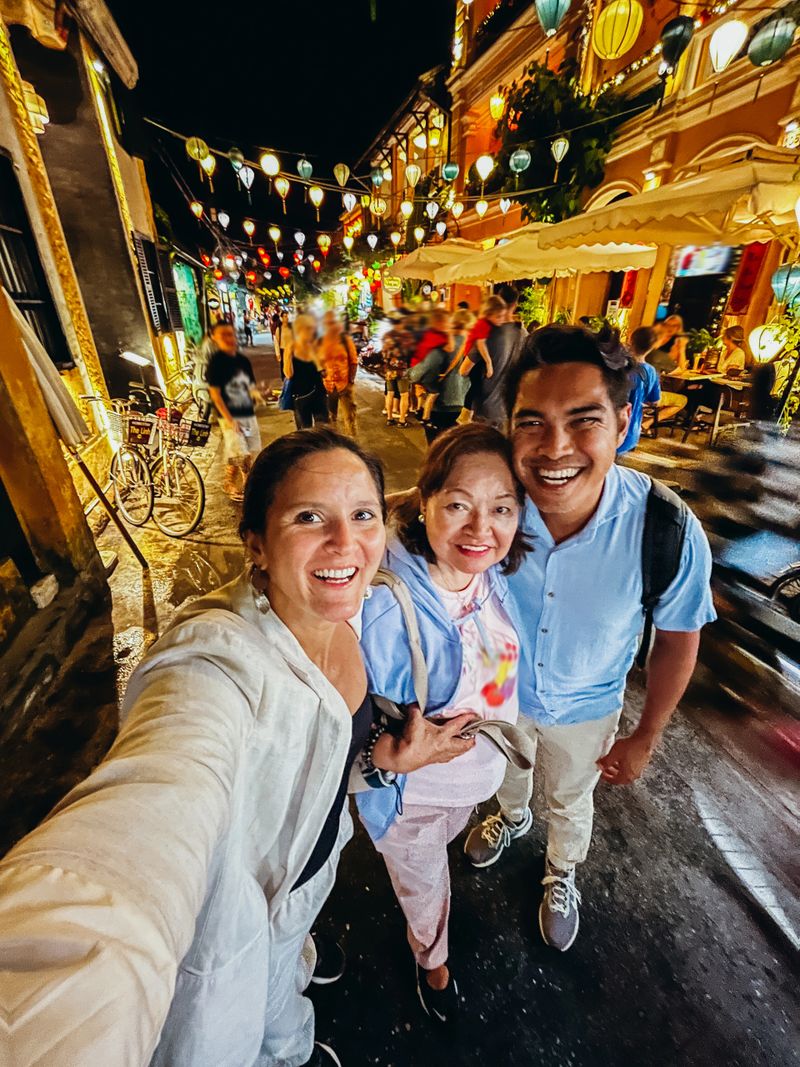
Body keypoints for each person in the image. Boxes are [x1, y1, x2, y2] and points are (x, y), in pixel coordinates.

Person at [0, 429, 472, 1067]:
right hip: (239, 918)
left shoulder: (347, 611)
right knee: (248, 1021)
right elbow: (158, 793)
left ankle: (292, 1015)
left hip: (312, 867)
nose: (345, 543)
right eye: (309, 517)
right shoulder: (215, 658)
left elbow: (326, 756)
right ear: (256, 543)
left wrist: (385, 760)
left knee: (285, 979)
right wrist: (70, 968)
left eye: (362, 514)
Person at [463, 325, 716, 952]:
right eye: (531, 422)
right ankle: (510, 818)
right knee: (505, 768)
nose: (554, 449)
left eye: (583, 420)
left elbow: (679, 638)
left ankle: (561, 869)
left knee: (571, 794)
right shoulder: (491, 505)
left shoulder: (665, 527)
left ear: (622, 419)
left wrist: (647, 734)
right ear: (509, 426)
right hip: (498, 684)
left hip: (588, 704)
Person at [358, 424, 529, 1023]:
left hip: (472, 784)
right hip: (413, 800)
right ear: (423, 500)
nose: (481, 529)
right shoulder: (381, 603)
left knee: (441, 857)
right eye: (458, 505)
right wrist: (385, 758)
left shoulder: (495, 573)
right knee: (425, 885)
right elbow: (332, 715)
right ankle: (432, 958)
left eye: (501, 508)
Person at [205, 319, 264, 502]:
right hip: (229, 415)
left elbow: (250, 385)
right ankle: (229, 483)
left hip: (247, 413)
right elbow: (215, 395)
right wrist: (229, 419)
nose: (229, 338)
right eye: (224, 335)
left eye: (230, 334)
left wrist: (258, 394)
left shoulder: (242, 360)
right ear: (215, 338)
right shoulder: (215, 364)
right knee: (240, 452)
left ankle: (247, 483)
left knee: (251, 451)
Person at [461, 285, 525, 430]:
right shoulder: (523, 333)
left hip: (485, 409)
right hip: (510, 409)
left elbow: (464, 370)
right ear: (515, 305)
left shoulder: (487, 333)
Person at [410, 308, 473, 442]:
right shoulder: (475, 346)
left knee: (437, 446)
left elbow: (418, 373)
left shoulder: (442, 344)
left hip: (441, 406)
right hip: (464, 405)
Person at [618, 325, 661, 453]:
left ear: (631, 340)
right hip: (630, 431)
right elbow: (655, 401)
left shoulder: (617, 364)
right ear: (652, 347)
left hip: (606, 429)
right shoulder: (651, 372)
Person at [284, 313, 329, 430]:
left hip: (319, 393)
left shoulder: (315, 346)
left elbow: (325, 373)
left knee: (324, 430)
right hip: (300, 397)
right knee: (305, 433)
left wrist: (319, 361)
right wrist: (288, 354)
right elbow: (288, 374)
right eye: (308, 329)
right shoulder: (291, 348)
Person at [410, 308, 455, 421]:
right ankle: (425, 416)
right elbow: (450, 348)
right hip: (425, 369)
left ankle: (419, 410)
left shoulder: (426, 332)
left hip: (416, 368)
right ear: (439, 323)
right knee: (434, 392)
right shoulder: (437, 336)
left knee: (421, 390)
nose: (449, 325)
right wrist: (449, 333)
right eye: (447, 322)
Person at [319, 310, 359, 436]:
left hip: (344, 384)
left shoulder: (345, 339)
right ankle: (334, 442)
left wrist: (351, 381)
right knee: (330, 418)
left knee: (350, 417)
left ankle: (352, 441)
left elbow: (353, 361)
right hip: (328, 386)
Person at [459, 295, 507, 391]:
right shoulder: (483, 324)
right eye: (498, 317)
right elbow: (480, 344)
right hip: (470, 358)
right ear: (488, 314)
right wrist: (489, 363)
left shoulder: (489, 324)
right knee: (475, 385)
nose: (502, 319)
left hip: (472, 357)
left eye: (503, 316)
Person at [381, 310, 415, 428]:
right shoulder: (406, 336)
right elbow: (410, 352)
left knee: (390, 393)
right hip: (402, 370)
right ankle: (401, 420)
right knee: (404, 394)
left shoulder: (387, 336)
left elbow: (383, 353)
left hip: (389, 370)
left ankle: (390, 419)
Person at [275, 310, 293, 380]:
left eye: (287, 316)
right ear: (281, 318)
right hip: (283, 349)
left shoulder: (291, 328)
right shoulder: (279, 329)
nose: (287, 318)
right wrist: (277, 353)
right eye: (285, 316)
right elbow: (276, 342)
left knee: (291, 365)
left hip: (291, 350)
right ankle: (285, 379)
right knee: (284, 365)